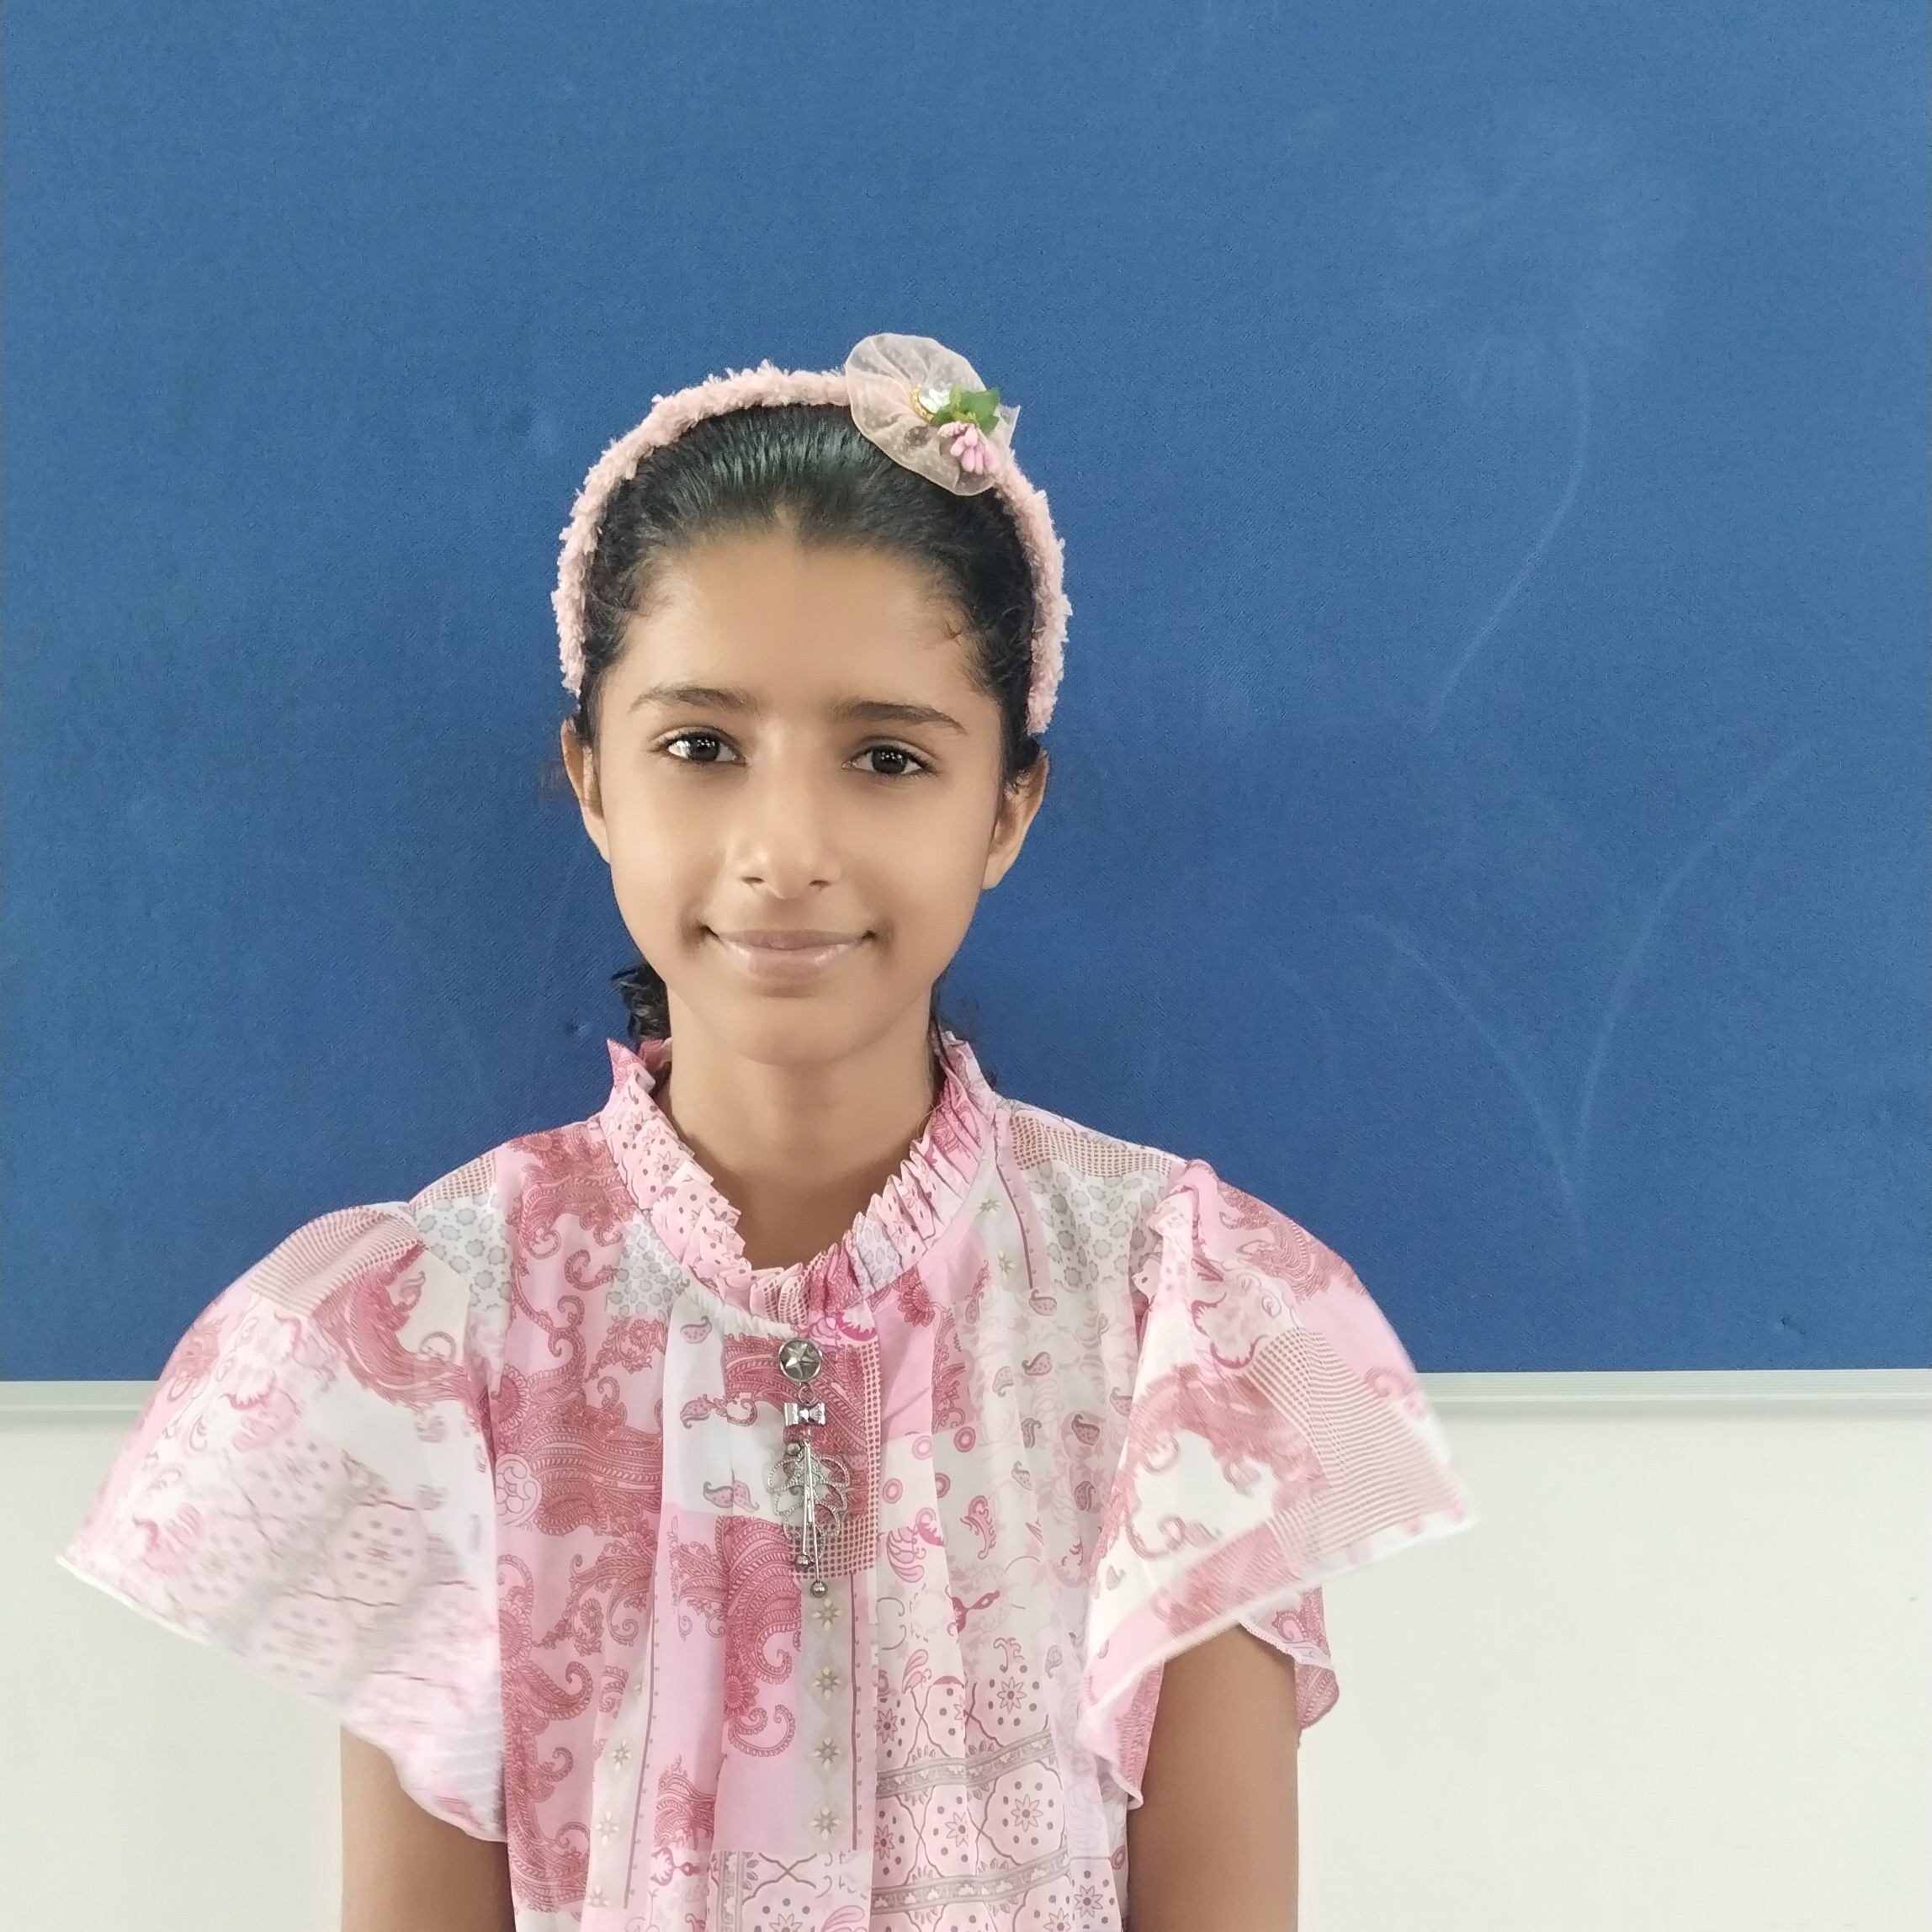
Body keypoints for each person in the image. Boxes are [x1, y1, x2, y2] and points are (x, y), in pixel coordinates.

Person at [58, 332, 1478, 1932]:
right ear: (592, 779)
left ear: (1008, 806)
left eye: (887, 758)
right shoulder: (435, 1338)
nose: (786, 846)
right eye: (701, 748)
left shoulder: (1177, 1322)